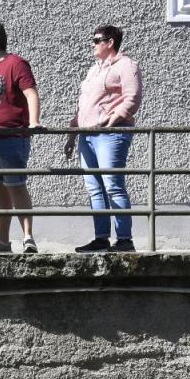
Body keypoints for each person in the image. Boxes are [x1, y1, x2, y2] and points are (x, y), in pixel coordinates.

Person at [64, 25, 142, 253]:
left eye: (97, 40)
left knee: (113, 185)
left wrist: (113, 119)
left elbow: (133, 97)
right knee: (94, 188)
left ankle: (125, 240)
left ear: (110, 42)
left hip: (111, 134)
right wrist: (72, 135)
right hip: (87, 135)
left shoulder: (127, 65)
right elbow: (83, 106)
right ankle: (101, 238)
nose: (93, 43)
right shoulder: (94, 70)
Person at [0, 21, 42, 254]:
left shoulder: (16, 63)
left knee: (17, 186)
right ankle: (2, 242)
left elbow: (30, 93)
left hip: (12, 137)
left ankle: (28, 238)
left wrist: (33, 123)